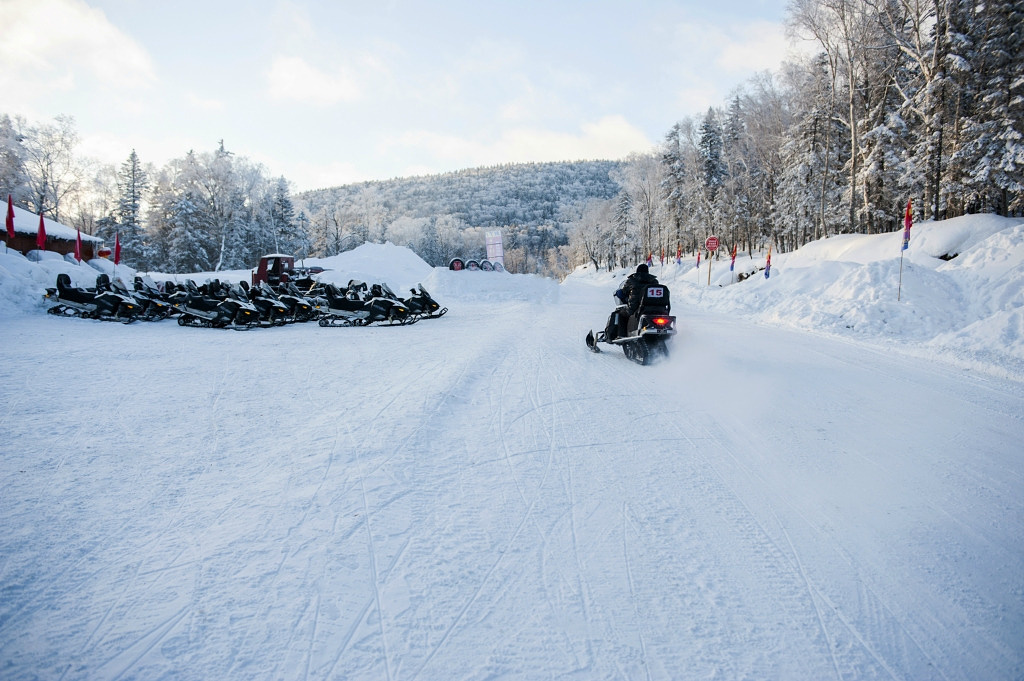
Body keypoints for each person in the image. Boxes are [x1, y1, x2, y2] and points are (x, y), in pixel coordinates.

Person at [604, 263, 660, 341]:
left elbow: (622, 293)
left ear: (637, 271)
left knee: (620, 313)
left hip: (635, 308)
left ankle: (621, 335)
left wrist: (618, 293)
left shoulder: (632, 280)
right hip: (655, 309)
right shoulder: (654, 281)